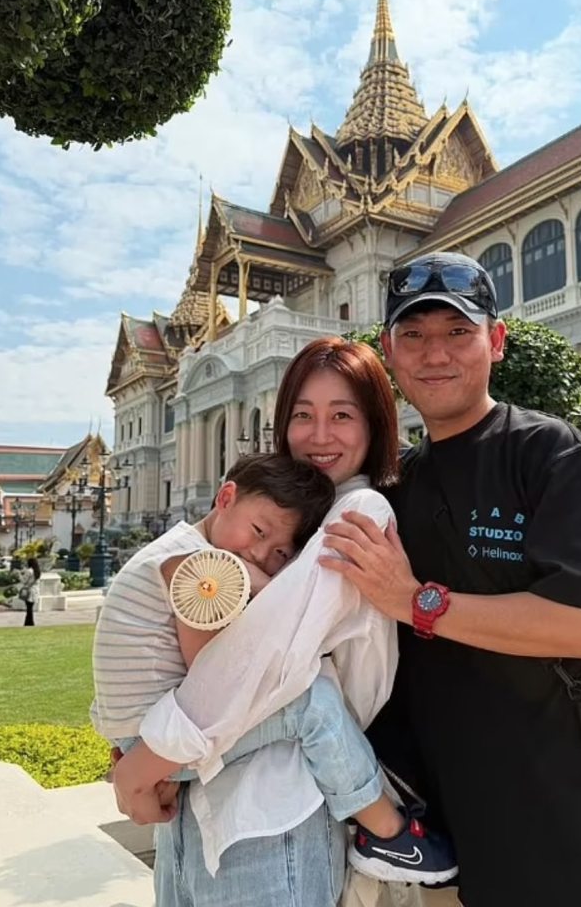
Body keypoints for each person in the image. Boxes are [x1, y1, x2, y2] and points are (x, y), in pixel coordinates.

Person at [320, 252, 581, 907]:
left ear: (496, 341)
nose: (435, 355)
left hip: (563, 814)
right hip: (442, 823)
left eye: (458, 332)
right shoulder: (390, 487)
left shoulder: (544, 450)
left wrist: (415, 601)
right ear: (389, 356)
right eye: (414, 336)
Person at [110, 337, 454, 907]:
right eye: (302, 415)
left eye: (342, 415)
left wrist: (142, 765)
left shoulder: (359, 514)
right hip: (197, 808)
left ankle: (392, 832)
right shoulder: (291, 515)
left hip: (270, 815)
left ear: (375, 426)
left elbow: (262, 654)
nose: (319, 436)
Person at [18, 557, 41, 626]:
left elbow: (24, 581)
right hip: (35, 590)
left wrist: (19, 575)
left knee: (28, 607)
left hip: (29, 590)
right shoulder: (38, 571)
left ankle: (29, 622)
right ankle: (29, 622)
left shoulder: (29, 571)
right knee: (30, 607)